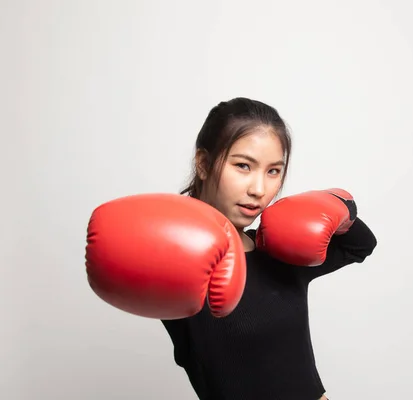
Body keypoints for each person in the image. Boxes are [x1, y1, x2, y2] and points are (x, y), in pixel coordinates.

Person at [85, 97, 377, 399]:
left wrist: (334, 202)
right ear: (203, 163)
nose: (259, 189)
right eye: (243, 166)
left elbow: (361, 245)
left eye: (273, 171)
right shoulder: (178, 254)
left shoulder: (277, 250)